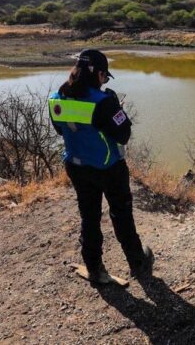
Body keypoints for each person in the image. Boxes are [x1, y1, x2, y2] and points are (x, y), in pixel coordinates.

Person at [49, 49, 153, 285]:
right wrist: (117, 108)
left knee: (89, 216)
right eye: (105, 77)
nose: (104, 81)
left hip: (76, 166)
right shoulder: (104, 102)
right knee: (121, 214)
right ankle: (138, 264)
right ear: (98, 74)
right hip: (109, 168)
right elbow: (124, 135)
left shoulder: (57, 98)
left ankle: (94, 267)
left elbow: (60, 129)